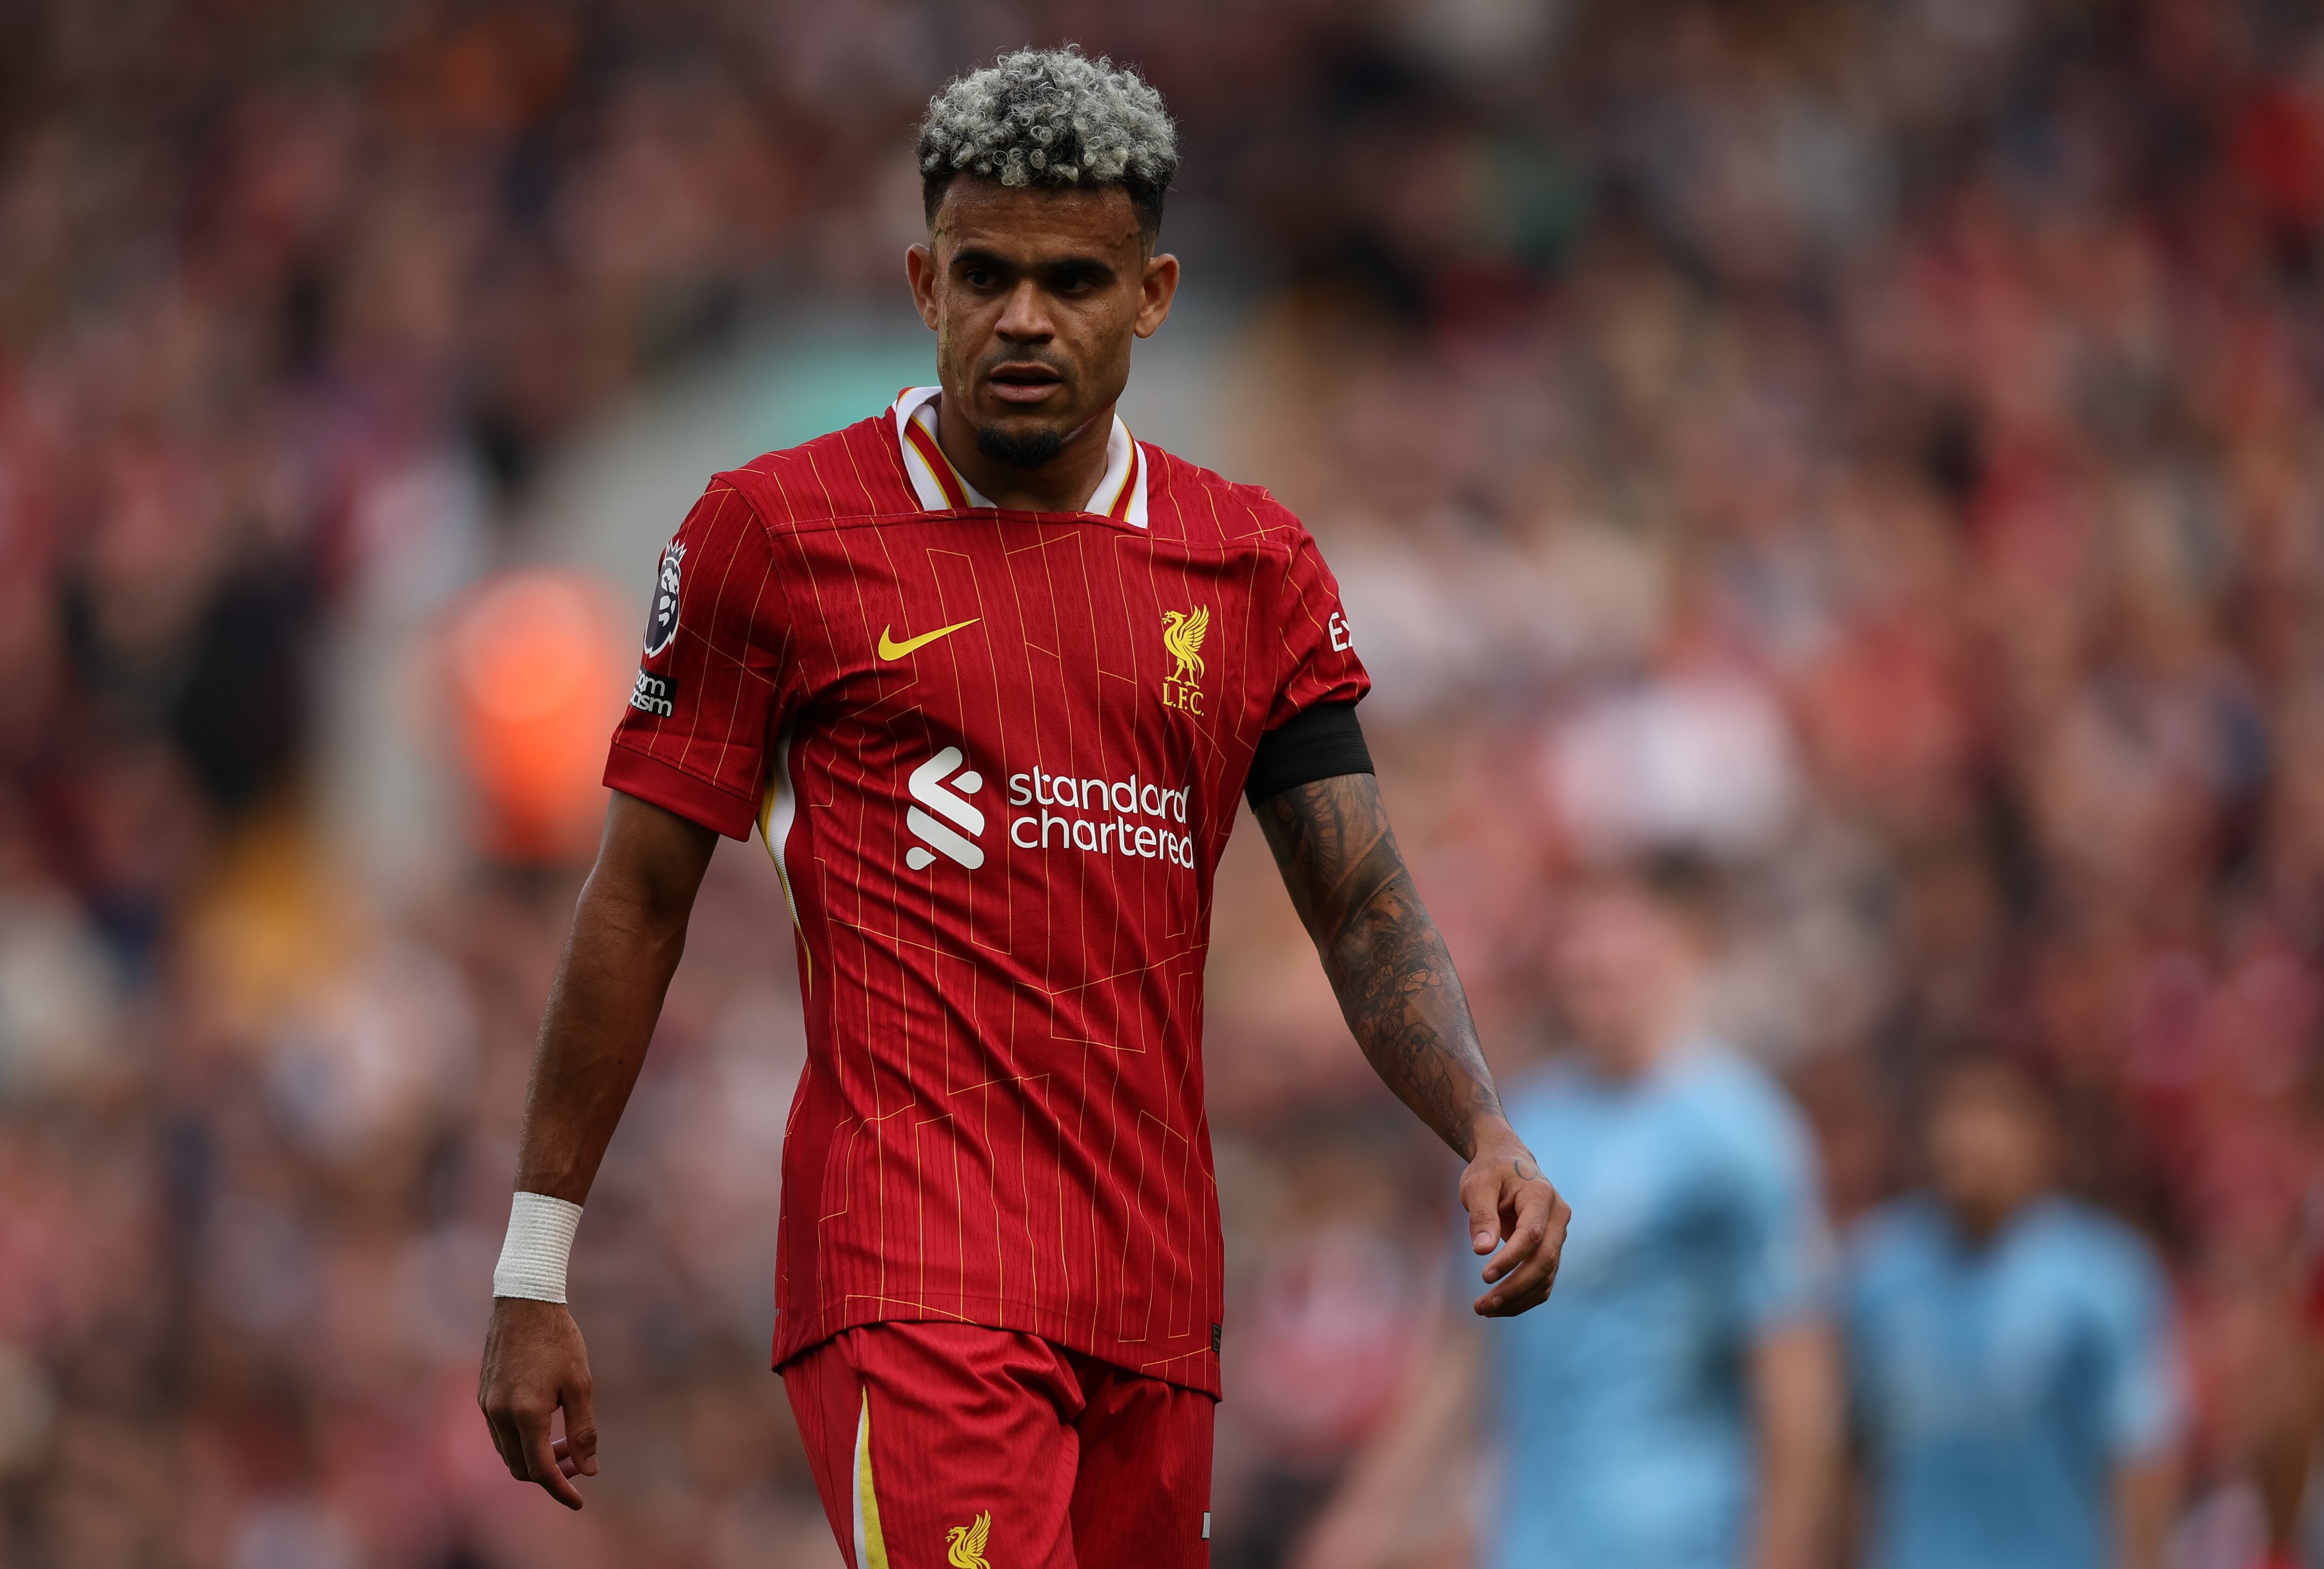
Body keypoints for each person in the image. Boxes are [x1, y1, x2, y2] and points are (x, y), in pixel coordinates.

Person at [472, 46, 1569, 1569]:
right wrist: (535, 1260)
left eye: (1073, 279)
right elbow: (638, 894)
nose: (1024, 318)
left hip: (1154, 1290)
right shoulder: (774, 533)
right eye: (984, 274)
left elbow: (1358, 891)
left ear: (1153, 293)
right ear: (923, 280)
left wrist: (1480, 1120)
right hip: (910, 1264)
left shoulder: (1248, 564)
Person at [1299, 856, 1840, 1569]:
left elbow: (1794, 1372)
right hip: (1529, 1542)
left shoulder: (1739, 1131)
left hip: (1680, 1540)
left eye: (1616, 938)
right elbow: (1463, 1350)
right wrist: (1362, 1521)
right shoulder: (1522, 1126)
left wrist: (1784, 1551)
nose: (1590, 960)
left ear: (1680, 948)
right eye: (1578, 941)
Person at [1845, 1055, 2182, 1569]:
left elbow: (2141, 1459)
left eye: (1990, 1111)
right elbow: (1848, 1458)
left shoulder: (2102, 1278)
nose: (1965, 1135)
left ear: (2042, 1133)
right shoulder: (1877, 1274)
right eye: (1952, 1111)